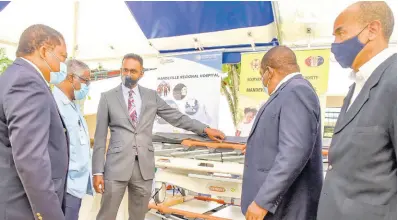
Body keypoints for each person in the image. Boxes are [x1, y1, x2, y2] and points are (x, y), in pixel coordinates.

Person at [92, 53, 225, 220]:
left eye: (133, 71)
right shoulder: (107, 97)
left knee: (138, 216)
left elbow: (176, 117)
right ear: (120, 70)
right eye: (125, 70)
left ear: (141, 74)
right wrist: (97, 171)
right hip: (115, 167)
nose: (128, 74)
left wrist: (205, 129)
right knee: (106, 215)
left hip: (143, 168)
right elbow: (99, 137)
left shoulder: (151, 96)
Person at [318, 2, 396, 220]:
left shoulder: (394, 80)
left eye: (341, 33)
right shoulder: (356, 86)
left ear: (372, 30)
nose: (335, 43)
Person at [241, 46, 323, 220]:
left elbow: (294, 152)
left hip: (285, 207)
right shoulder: (287, 92)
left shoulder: (296, 91)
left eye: (261, 76)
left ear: (269, 72)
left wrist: (263, 201)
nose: (262, 82)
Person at [0, 24, 69, 220]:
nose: (62, 65)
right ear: (44, 51)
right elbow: (31, 160)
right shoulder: (27, 82)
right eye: (62, 57)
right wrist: (50, 215)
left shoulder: (12, 75)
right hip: (23, 206)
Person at [52, 59, 93, 220]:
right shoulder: (54, 105)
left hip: (76, 185)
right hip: (64, 187)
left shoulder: (73, 104)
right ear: (71, 78)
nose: (88, 86)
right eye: (85, 81)